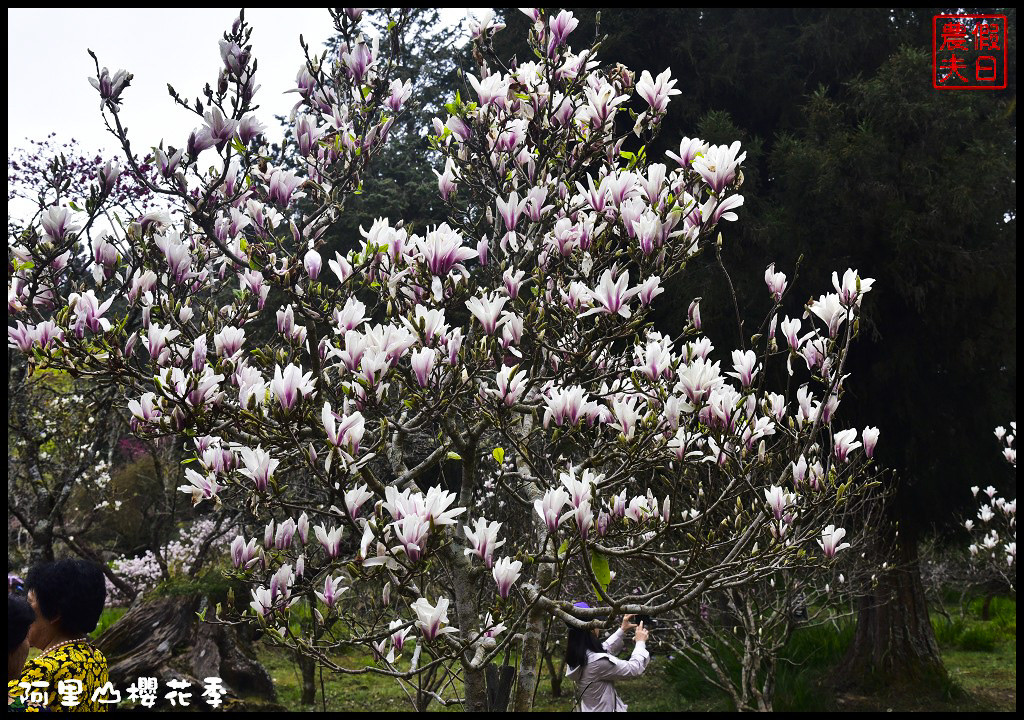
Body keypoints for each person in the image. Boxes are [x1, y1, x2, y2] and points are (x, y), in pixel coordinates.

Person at [6, 559, 110, 713]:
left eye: (29, 603)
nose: (25, 612)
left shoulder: (41, 671)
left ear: (54, 613)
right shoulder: (96, 657)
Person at [565, 602, 650, 712]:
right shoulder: (597, 663)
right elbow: (634, 668)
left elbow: (602, 650)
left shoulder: (577, 656)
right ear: (590, 628)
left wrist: (622, 630)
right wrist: (640, 642)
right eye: (596, 623)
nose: (598, 627)